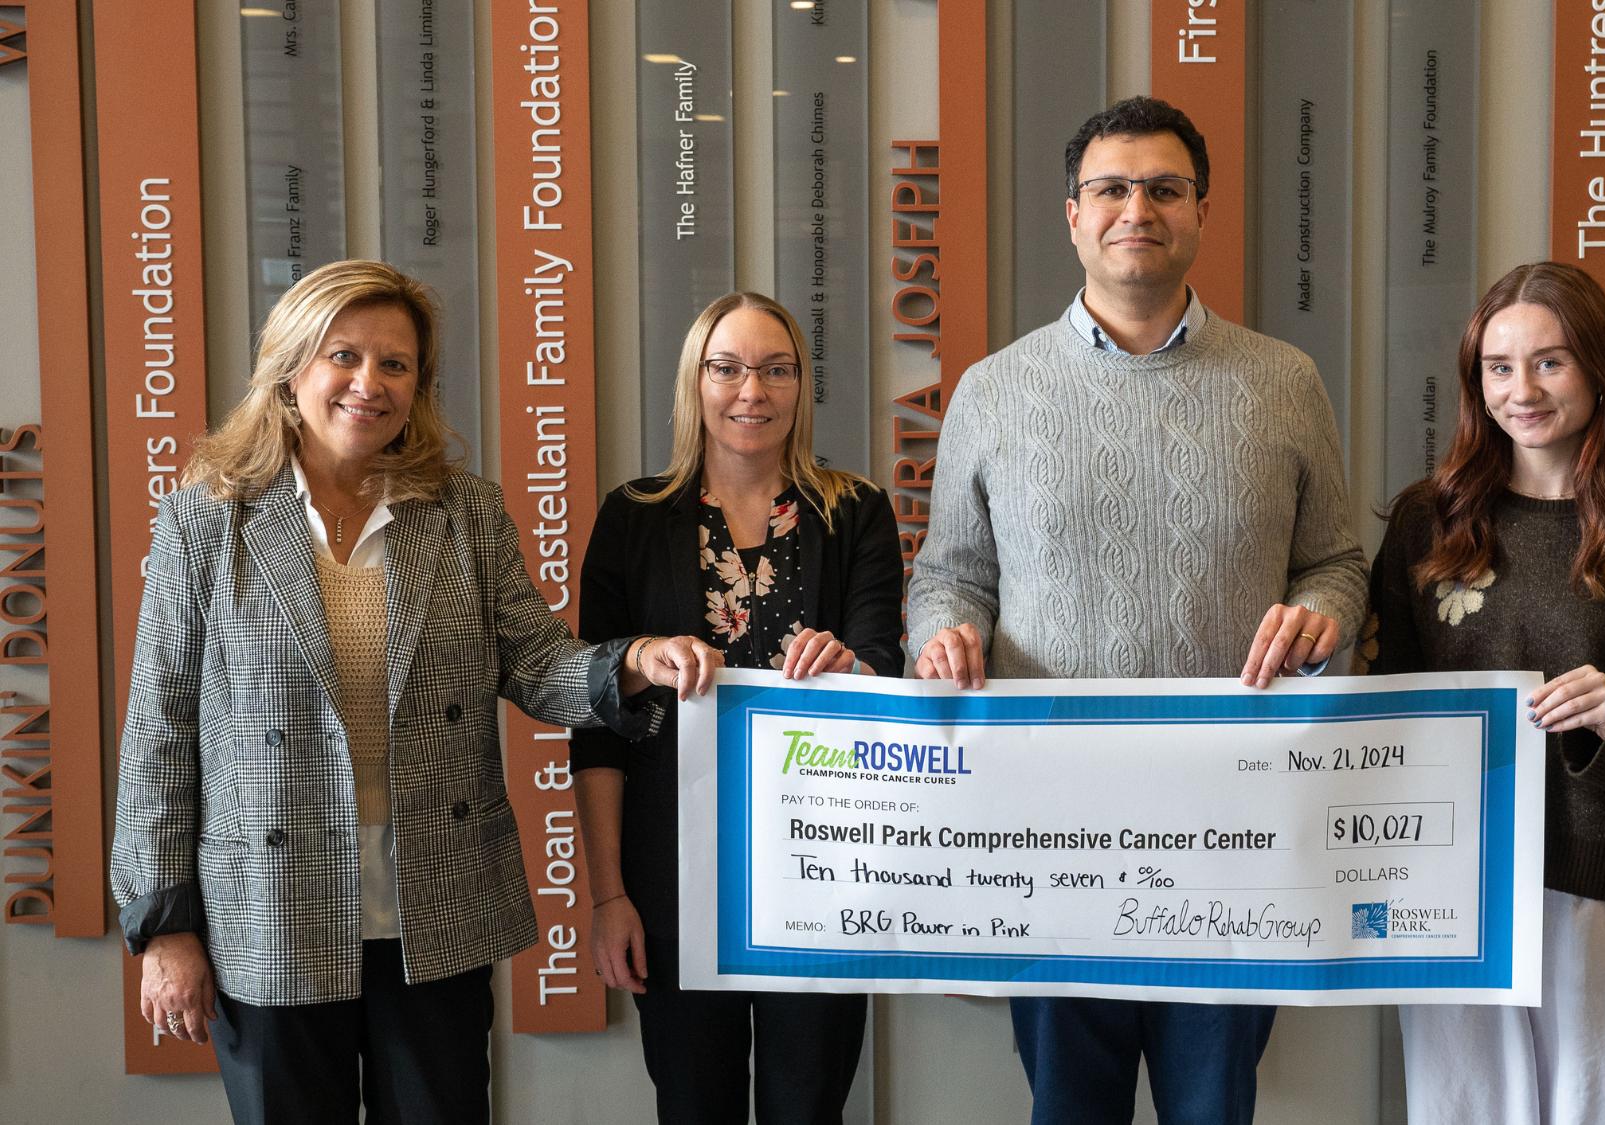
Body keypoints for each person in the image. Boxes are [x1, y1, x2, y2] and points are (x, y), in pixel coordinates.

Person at [109, 259, 684, 1123]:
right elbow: (159, 729)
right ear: (291, 366)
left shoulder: (464, 512)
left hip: (436, 901)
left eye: (396, 364)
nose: (368, 384)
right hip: (270, 911)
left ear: (419, 384)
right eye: (344, 356)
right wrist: (164, 927)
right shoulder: (208, 516)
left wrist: (633, 660)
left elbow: (535, 661)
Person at [906, 96, 1368, 1125]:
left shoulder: (1283, 382)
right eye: (1110, 188)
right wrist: (944, 632)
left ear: (1199, 211)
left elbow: (1335, 562)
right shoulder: (992, 389)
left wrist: (1323, 615)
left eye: (1162, 188)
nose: (1136, 208)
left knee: (1212, 1110)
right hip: (1045, 832)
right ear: (1071, 215)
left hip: (1236, 826)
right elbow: (949, 574)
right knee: (1069, 1110)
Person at [1362, 261, 1605, 1124]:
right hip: (1452, 893)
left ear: (1599, 370)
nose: (1522, 389)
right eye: (1498, 367)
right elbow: (1372, 707)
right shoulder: (1424, 526)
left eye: (1551, 361)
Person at [573, 292, 905, 1123]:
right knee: (694, 1106)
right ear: (696, 381)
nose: (751, 389)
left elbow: (885, 669)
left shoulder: (856, 511)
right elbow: (597, 718)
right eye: (727, 368)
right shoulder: (632, 518)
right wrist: (609, 893)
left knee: (809, 1106)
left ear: (801, 384)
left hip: (824, 874)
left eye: (776, 369)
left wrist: (852, 666)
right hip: (672, 883)